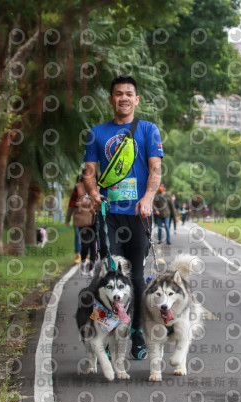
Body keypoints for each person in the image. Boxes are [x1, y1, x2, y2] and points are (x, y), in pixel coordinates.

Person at [83, 75, 163, 360]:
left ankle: (137, 333)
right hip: (109, 216)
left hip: (139, 215)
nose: (124, 98)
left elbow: (155, 170)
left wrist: (148, 199)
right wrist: (94, 194)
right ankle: (104, 331)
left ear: (136, 99)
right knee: (109, 275)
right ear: (111, 99)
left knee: (137, 277)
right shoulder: (97, 133)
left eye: (129, 94)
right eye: (118, 94)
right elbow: (90, 172)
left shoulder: (148, 130)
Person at [66, 176, 98, 275]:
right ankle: (83, 261)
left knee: (93, 245)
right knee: (85, 243)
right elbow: (71, 204)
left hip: (95, 219)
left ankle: (92, 268)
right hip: (82, 220)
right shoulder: (78, 188)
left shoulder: (99, 187)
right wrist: (68, 218)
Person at [65, 176, 83, 264]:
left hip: (89, 218)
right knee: (77, 236)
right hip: (77, 218)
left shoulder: (90, 189)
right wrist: (67, 219)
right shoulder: (75, 190)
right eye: (79, 181)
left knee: (89, 236)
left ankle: (88, 255)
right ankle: (78, 255)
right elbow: (71, 205)